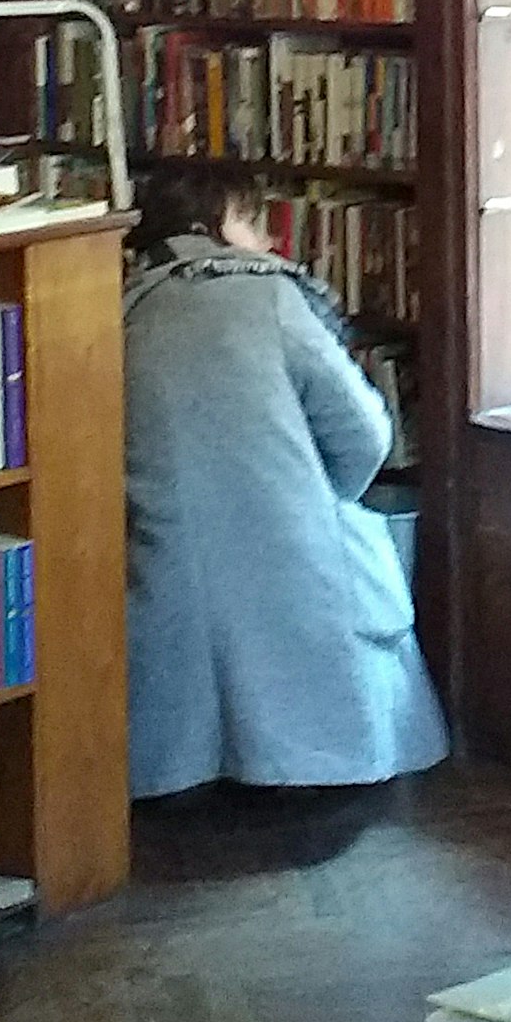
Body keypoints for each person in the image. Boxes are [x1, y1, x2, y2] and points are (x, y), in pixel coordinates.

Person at [121, 170, 448, 799]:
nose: (269, 241)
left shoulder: (119, 312)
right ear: (216, 222)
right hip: (294, 578)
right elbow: (364, 434)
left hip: (161, 587)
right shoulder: (269, 297)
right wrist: (320, 496)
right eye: (253, 221)